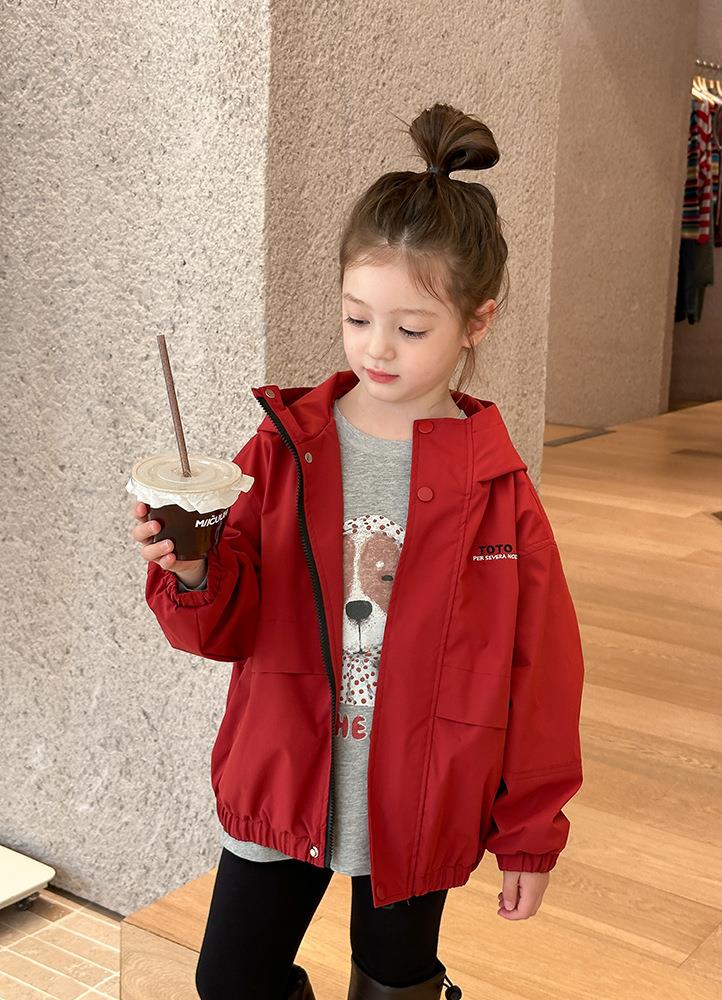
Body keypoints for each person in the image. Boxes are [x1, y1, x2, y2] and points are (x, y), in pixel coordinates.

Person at [130, 102, 585, 1000]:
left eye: (411, 330)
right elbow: (224, 629)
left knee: (394, 983)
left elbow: (542, 672)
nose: (378, 349)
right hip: (282, 774)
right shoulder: (283, 450)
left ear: (477, 322)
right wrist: (192, 569)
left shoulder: (497, 488)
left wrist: (530, 833)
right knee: (231, 980)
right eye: (355, 317)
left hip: (422, 793)